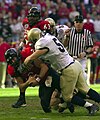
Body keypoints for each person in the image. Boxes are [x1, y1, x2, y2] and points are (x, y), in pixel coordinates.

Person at [24, 27, 100, 116]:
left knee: (67, 97)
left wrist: (26, 60)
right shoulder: (50, 37)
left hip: (68, 69)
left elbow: (35, 55)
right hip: (75, 64)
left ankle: (90, 106)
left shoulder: (41, 43)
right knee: (85, 89)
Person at [5, 47, 61, 113]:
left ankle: (68, 101)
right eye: (10, 61)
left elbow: (45, 67)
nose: (13, 62)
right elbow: (21, 86)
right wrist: (28, 82)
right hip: (43, 81)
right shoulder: (12, 68)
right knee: (45, 104)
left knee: (64, 92)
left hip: (49, 74)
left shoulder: (27, 55)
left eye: (13, 59)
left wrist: (37, 79)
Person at [64, 15, 93, 85]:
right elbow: (65, 45)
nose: (78, 24)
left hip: (81, 59)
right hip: (70, 58)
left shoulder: (87, 33)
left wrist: (85, 52)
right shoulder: (70, 31)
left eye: (80, 22)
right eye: (77, 22)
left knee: (83, 75)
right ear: (74, 23)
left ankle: (83, 92)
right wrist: (67, 37)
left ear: (83, 23)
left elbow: (90, 47)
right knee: (69, 75)